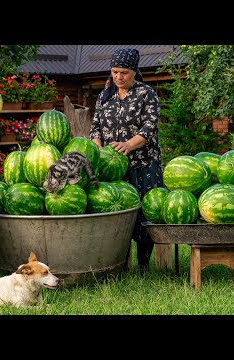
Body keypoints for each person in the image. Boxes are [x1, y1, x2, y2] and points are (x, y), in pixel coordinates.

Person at [90, 48, 164, 270]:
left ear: (134, 71)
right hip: (113, 169)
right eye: (114, 72)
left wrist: (128, 145)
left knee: (144, 213)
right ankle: (118, 264)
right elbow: (95, 128)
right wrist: (97, 149)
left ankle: (144, 264)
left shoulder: (146, 93)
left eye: (124, 72)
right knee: (117, 214)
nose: (118, 77)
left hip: (143, 165)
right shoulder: (105, 95)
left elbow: (150, 126)